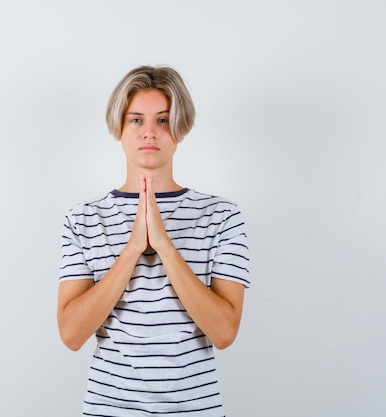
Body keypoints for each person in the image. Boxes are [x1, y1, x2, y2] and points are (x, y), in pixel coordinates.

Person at [57, 65, 251, 416]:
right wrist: (132, 249)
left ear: (181, 127)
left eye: (163, 120)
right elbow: (71, 334)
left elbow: (224, 333)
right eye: (136, 120)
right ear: (118, 126)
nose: (150, 132)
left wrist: (163, 245)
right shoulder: (83, 219)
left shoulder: (222, 215)